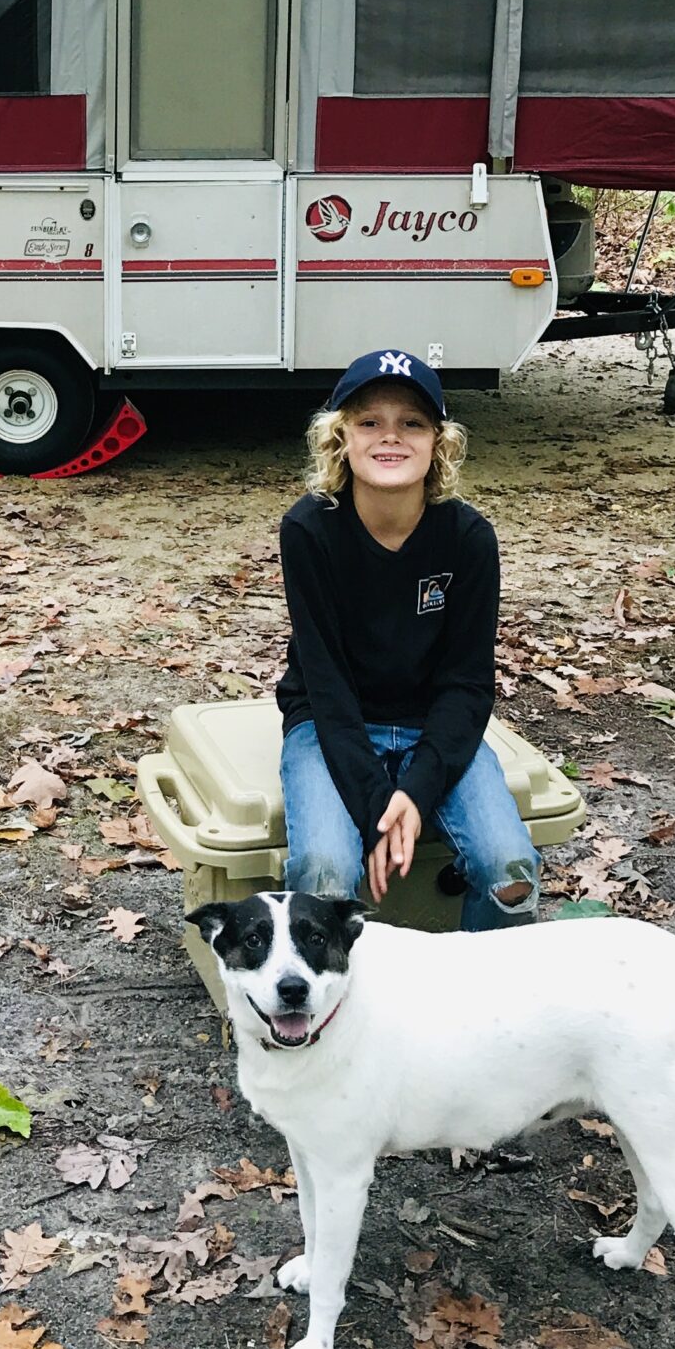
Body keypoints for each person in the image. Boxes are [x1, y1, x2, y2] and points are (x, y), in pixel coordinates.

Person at [276, 349, 538, 928]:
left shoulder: (468, 538)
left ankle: (479, 1009)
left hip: (434, 726)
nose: (389, 437)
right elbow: (326, 684)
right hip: (329, 723)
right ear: (340, 437)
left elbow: (467, 684)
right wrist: (377, 808)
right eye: (370, 421)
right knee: (321, 872)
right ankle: (331, 1013)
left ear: (438, 442)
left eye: (412, 423)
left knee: (511, 870)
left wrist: (415, 794)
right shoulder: (309, 529)